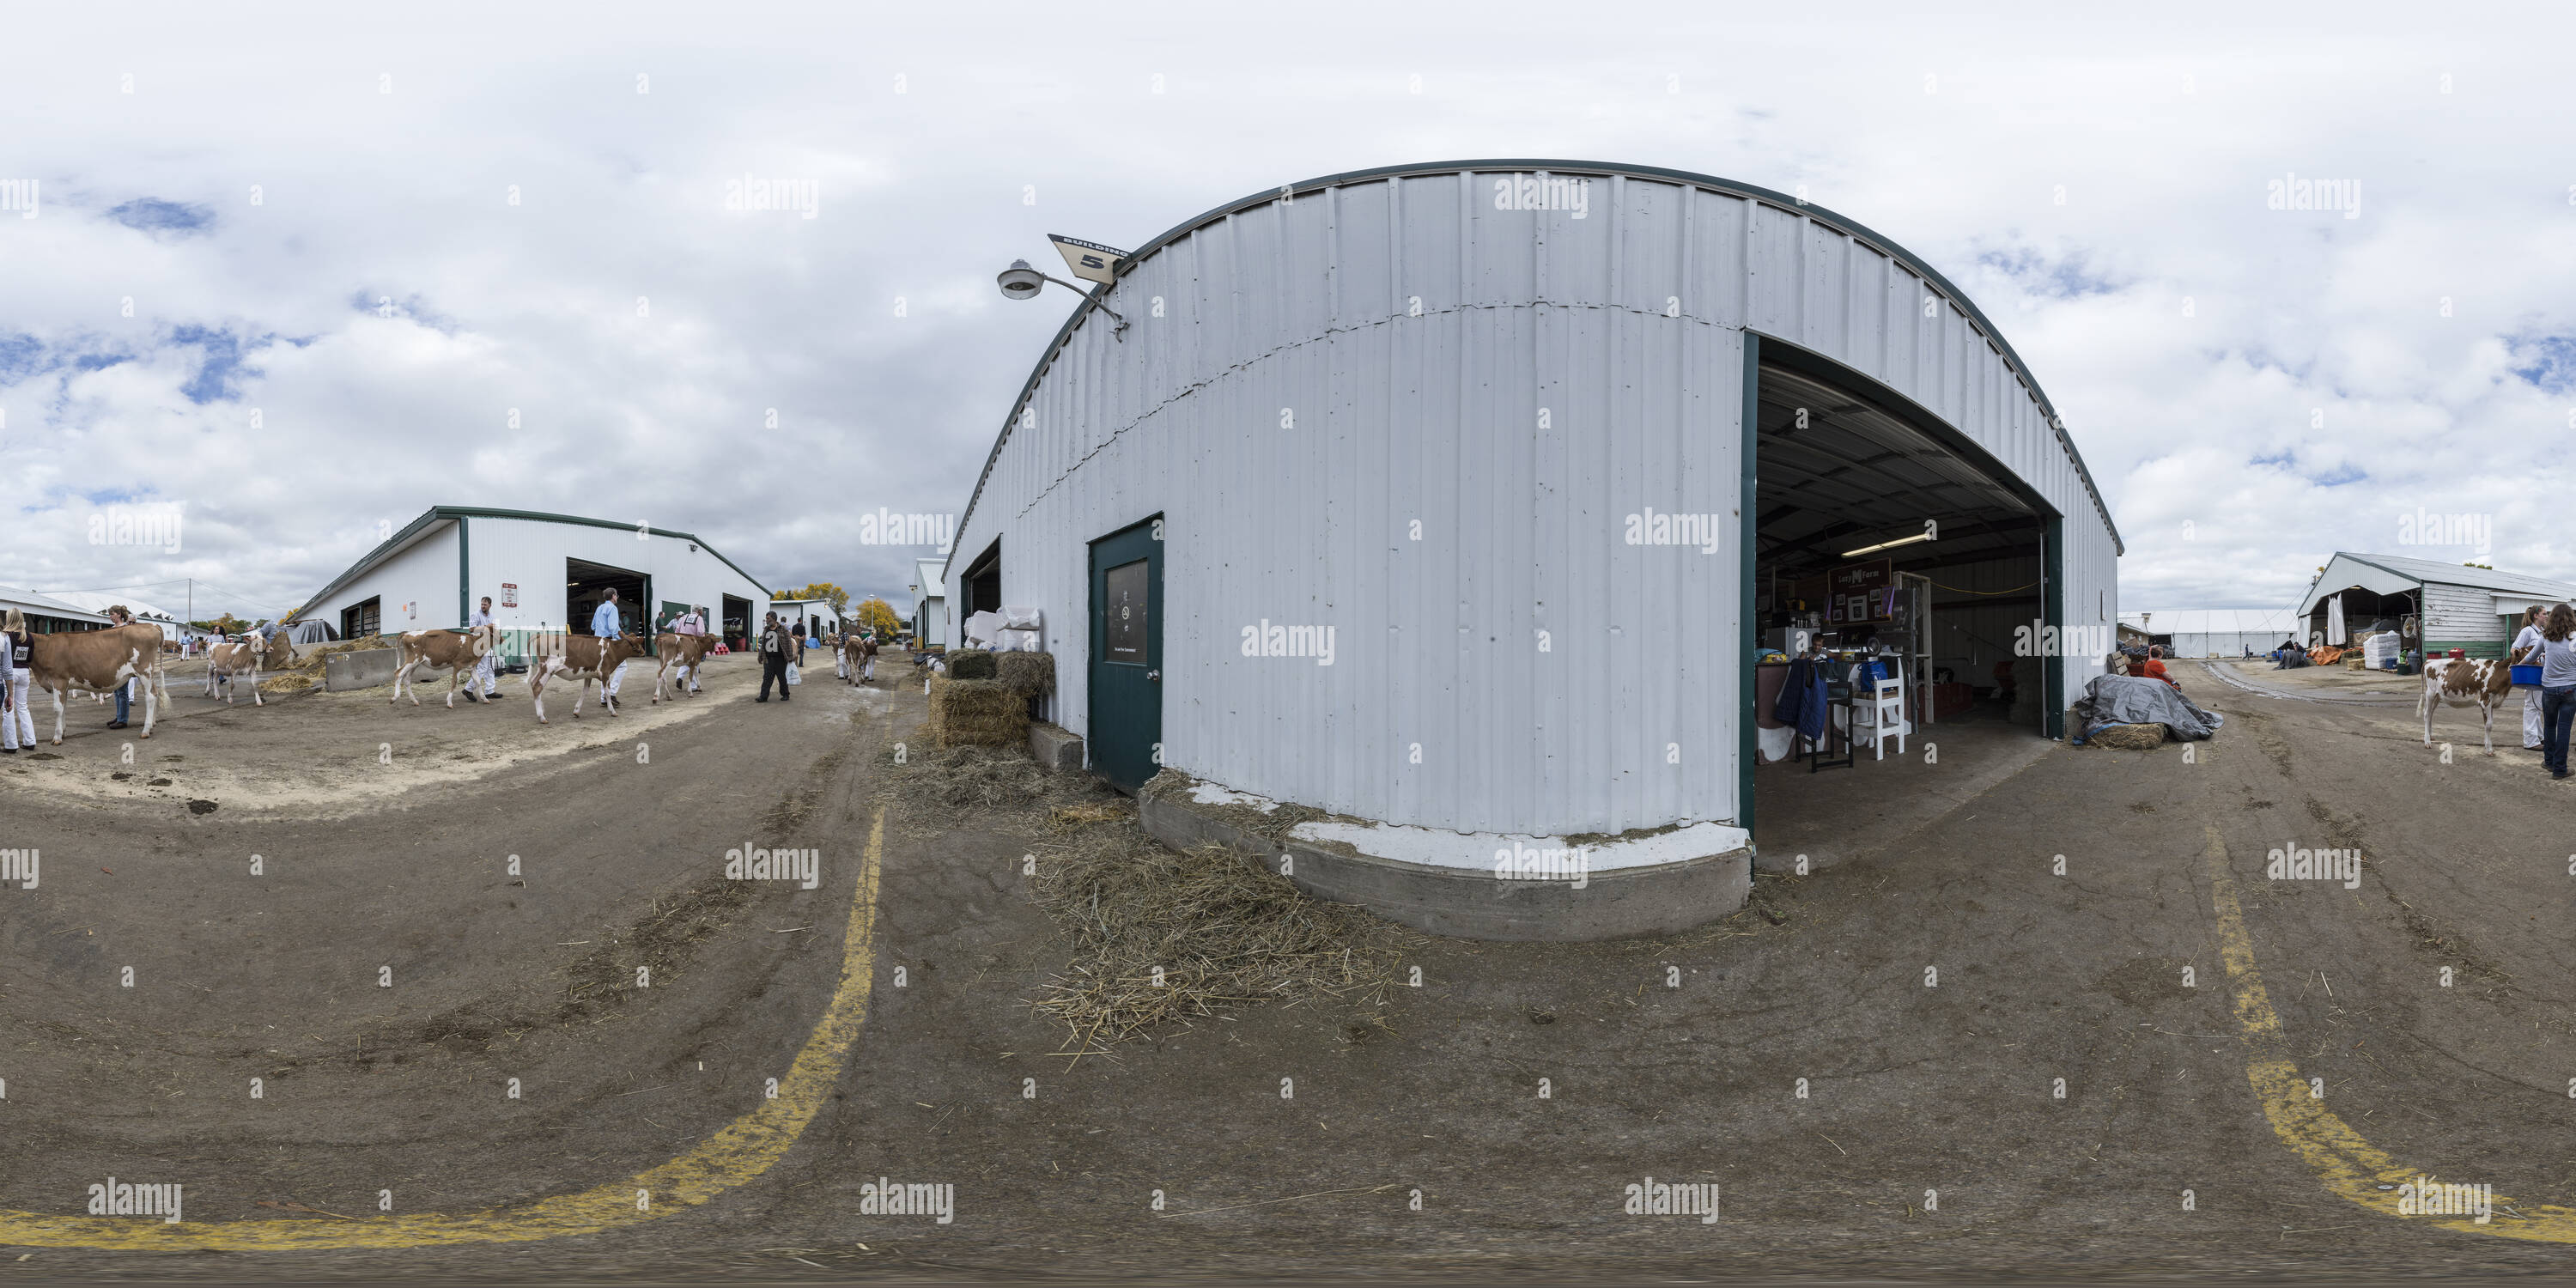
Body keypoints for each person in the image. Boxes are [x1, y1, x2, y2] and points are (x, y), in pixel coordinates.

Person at [2539, 604, 2576, 781]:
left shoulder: (2546, 636)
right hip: (2570, 688)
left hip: (2549, 688)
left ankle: (2549, 761)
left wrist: (2517, 664)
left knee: (2549, 725)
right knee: (2564, 729)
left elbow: (2531, 656)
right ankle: (2560, 769)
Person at [2510, 605, 2546, 750]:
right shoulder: (2528, 631)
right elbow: (2514, 649)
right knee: (2531, 705)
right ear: (2536, 616)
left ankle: (2539, 736)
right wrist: (2528, 658)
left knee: (2538, 705)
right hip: (2531, 673)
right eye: (2544, 614)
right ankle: (2530, 741)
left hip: (2540, 673)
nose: (2546, 616)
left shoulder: (2541, 632)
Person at [590, 588, 629, 704]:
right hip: (608, 641)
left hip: (597, 641)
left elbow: (593, 626)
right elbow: (613, 628)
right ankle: (611, 694)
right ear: (613, 596)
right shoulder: (612, 608)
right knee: (622, 666)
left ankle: (604, 698)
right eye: (617, 595)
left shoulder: (599, 608)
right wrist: (620, 640)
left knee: (604, 670)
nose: (617, 597)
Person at [1, 609, 29, 754]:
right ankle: (30, 740)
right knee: (23, 707)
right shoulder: (28, 637)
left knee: (8, 710)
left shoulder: (7, 636)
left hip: (11, 672)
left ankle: (11, 744)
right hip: (24, 672)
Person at [468, 595, 505, 703]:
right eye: (482, 604)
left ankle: (490, 690)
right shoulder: (475, 615)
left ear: (490, 605)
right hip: (478, 645)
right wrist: (486, 626)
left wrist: (498, 636)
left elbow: (493, 630)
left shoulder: (492, 617)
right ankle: (468, 689)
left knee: (490, 667)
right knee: (483, 668)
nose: (483, 606)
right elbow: (472, 630)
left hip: (488, 644)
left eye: (485, 604)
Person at [756, 611, 793, 702]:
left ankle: (785, 694)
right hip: (768, 659)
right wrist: (760, 656)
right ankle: (763, 696)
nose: (767, 620)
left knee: (782, 678)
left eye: (768, 618)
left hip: (780, 659)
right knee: (767, 678)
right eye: (766, 619)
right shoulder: (766, 629)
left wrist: (790, 656)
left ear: (774, 618)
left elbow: (788, 643)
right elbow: (763, 644)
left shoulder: (783, 629)